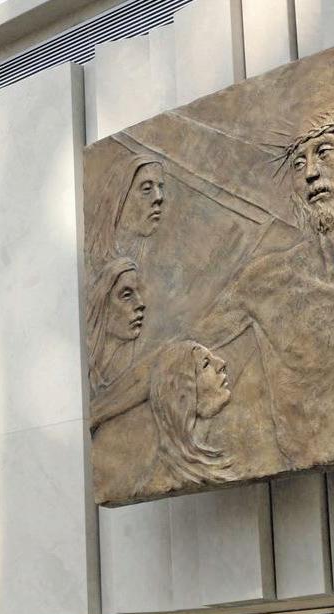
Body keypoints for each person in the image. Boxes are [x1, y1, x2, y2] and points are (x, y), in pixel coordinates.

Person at [91, 101, 334, 469]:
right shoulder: (268, 282)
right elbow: (170, 357)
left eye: (324, 152)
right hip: (308, 463)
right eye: (298, 163)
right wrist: (96, 412)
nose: (310, 173)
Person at [93, 340, 234, 503]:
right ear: (182, 392)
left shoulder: (212, 455)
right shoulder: (162, 478)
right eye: (206, 364)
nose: (221, 363)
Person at [86, 155, 165, 272]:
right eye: (147, 188)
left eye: (160, 187)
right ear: (120, 198)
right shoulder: (94, 263)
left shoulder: (158, 259)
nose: (159, 197)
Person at [86, 257, 145, 393]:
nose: (140, 304)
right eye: (127, 295)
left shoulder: (134, 368)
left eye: (139, 292)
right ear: (103, 305)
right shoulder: (86, 365)